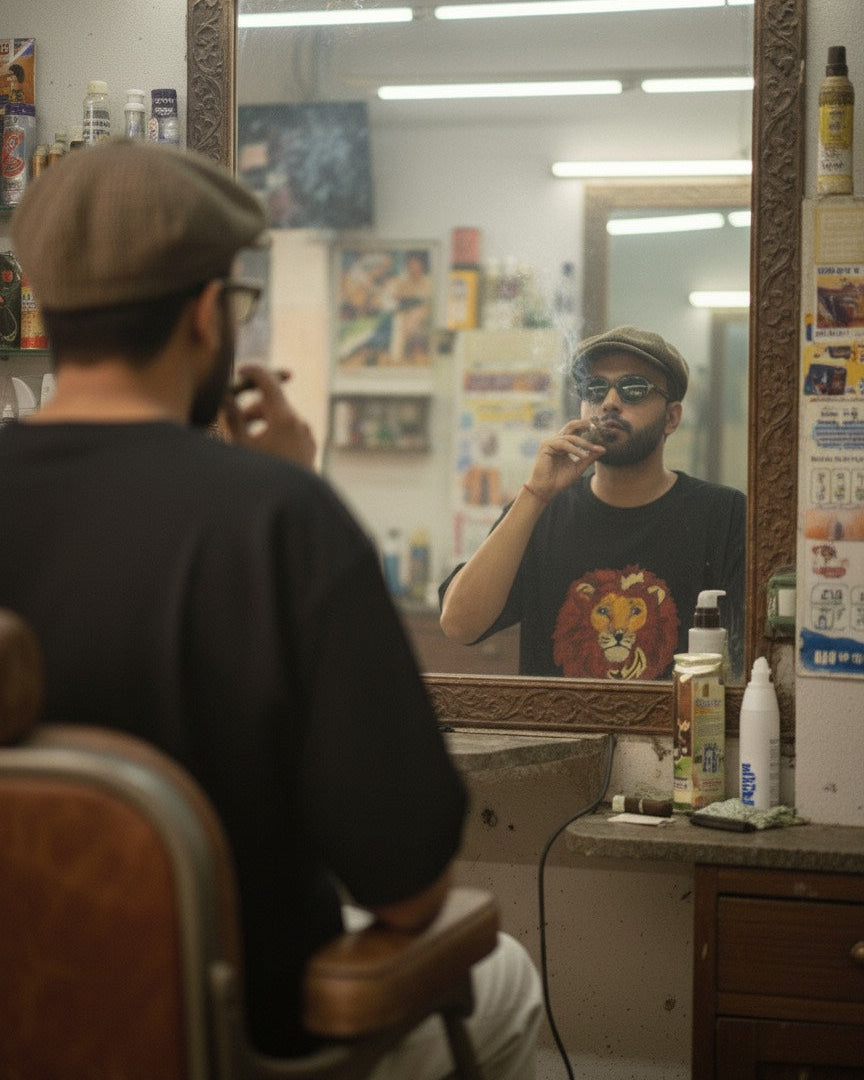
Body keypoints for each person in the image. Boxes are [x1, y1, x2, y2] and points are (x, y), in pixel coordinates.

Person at [0, 139, 541, 1076]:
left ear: (47, 307)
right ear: (209, 316)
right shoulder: (279, 520)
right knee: (509, 978)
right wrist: (293, 500)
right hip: (239, 1043)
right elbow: (411, 889)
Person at [440, 326, 745, 681]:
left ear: (672, 417)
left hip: (678, 733)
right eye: (595, 389)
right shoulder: (542, 511)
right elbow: (460, 626)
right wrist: (534, 493)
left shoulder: (723, 516)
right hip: (562, 733)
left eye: (633, 389)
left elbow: (751, 661)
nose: (610, 402)